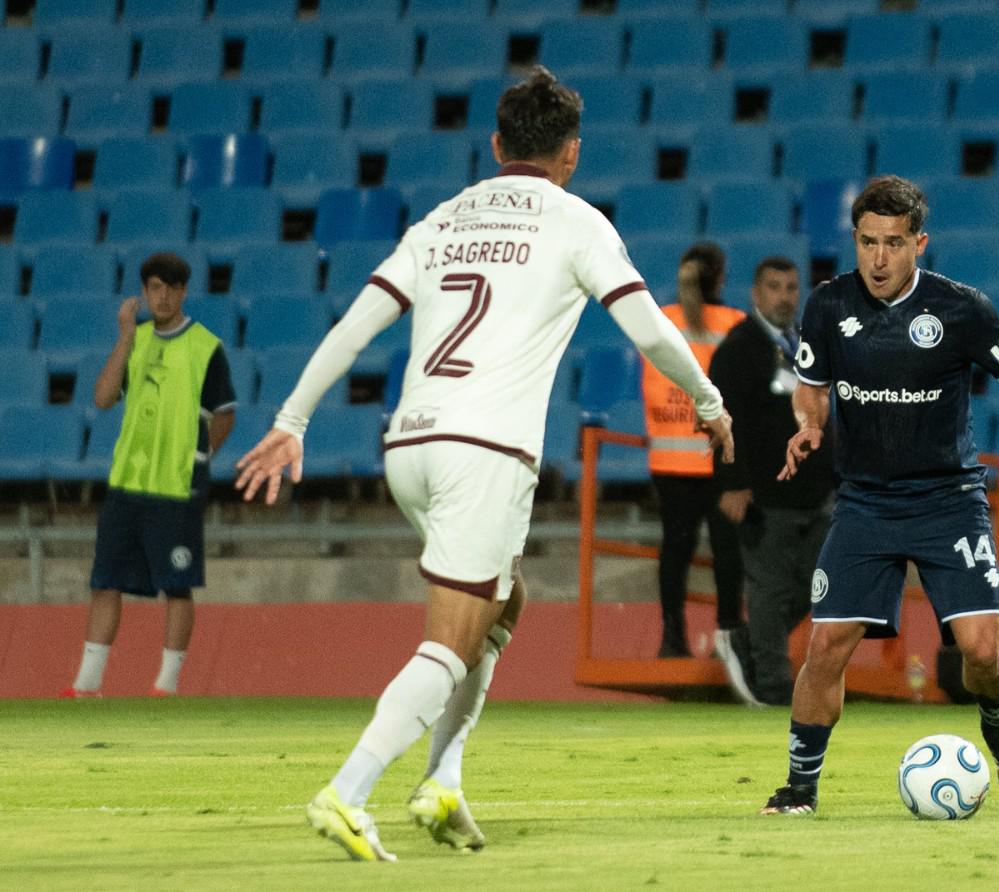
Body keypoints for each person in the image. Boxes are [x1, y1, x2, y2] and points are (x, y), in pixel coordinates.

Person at [234, 66, 734, 861]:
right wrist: (708, 401)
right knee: (451, 639)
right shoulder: (576, 222)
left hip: (410, 445)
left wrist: (291, 420)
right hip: (484, 450)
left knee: (504, 602)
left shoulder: (440, 220)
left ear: (497, 145)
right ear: (572, 153)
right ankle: (347, 792)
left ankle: (443, 780)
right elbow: (648, 329)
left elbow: (354, 327)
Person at [759, 176, 999, 816]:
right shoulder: (828, 305)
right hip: (865, 504)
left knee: (982, 653)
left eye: (894, 243)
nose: (878, 259)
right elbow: (812, 384)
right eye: (867, 242)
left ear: (919, 244)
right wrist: (810, 425)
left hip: (948, 501)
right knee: (825, 647)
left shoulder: (959, 308)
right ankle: (799, 788)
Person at [61, 252, 237, 698]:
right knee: (105, 582)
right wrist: (124, 336)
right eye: (155, 288)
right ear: (144, 292)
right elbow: (103, 398)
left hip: (176, 488)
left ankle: (166, 687)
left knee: (177, 586)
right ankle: (86, 686)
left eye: (172, 288)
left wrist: (197, 458)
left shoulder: (206, 347)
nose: (163, 297)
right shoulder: (134, 340)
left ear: (184, 292)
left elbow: (225, 415)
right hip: (127, 483)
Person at [709, 256, 836, 707]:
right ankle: (773, 685)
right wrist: (732, 481)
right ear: (755, 294)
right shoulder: (738, 349)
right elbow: (721, 419)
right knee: (770, 588)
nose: (784, 296)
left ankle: (748, 643)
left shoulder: (808, 345)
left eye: (791, 287)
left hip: (817, 490)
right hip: (764, 492)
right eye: (774, 287)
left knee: (820, 584)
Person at [640, 242, 746, 675]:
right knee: (728, 553)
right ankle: (729, 636)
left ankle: (672, 638)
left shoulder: (659, 319)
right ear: (720, 278)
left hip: (669, 462)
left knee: (675, 552)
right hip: (719, 459)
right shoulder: (734, 323)